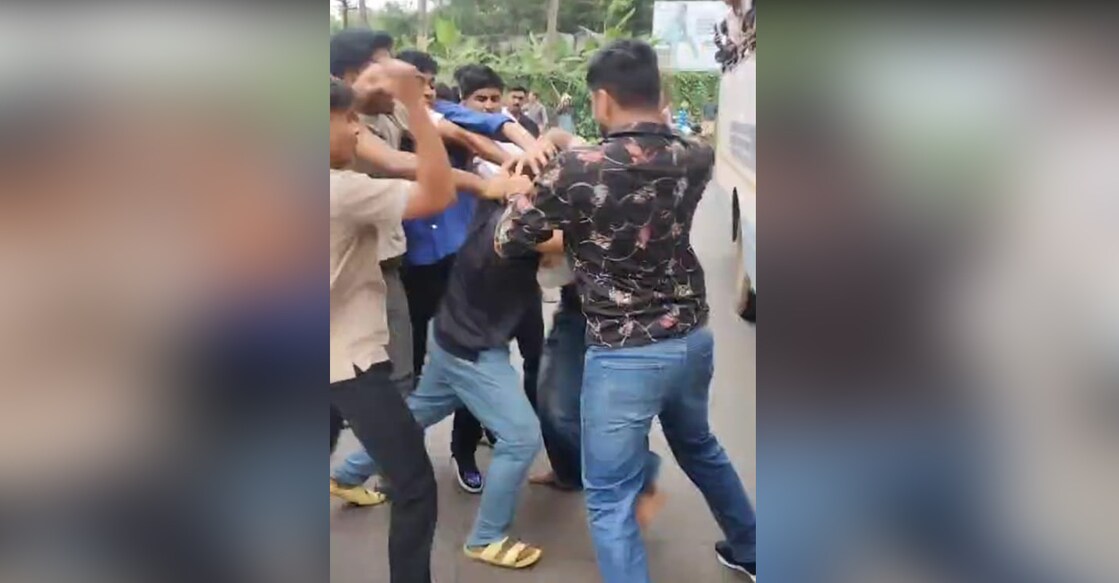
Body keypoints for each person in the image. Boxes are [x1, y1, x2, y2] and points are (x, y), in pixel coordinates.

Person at [494, 40, 758, 582]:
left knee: (611, 500)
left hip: (624, 352)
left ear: (602, 99)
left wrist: (526, 189)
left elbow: (509, 240)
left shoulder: (574, 169)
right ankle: (754, 549)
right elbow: (638, 157)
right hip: (692, 339)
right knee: (701, 446)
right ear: (659, 97)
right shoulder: (695, 155)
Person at [329, 47, 539, 496]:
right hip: (394, 271)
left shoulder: (394, 114)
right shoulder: (347, 132)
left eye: (424, 81)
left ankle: (390, 468)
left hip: (413, 263)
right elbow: (413, 172)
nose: (419, 90)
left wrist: (516, 155)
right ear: (353, 75)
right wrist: (491, 184)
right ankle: (397, 472)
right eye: (405, 79)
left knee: (425, 380)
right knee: (401, 379)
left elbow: (470, 133)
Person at [347, 165, 550, 570]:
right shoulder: (511, 228)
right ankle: (487, 537)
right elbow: (560, 245)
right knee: (522, 437)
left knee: (419, 412)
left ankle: (347, 474)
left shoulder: (489, 207)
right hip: (473, 348)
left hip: (450, 333)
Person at [328, 66, 453, 583]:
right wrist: (414, 106)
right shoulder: (340, 190)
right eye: (345, 120)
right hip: (344, 361)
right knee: (414, 485)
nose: (356, 130)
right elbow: (436, 193)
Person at [449, 62, 549, 491]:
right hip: (475, 279)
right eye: (481, 100)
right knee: (481, 369)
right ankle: (463, 451)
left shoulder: (523, 138)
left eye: (496, 98)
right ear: (463, 103)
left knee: (535, 359)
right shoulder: (457, 151)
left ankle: (520, 430)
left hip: (522, 275)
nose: (491, 106)